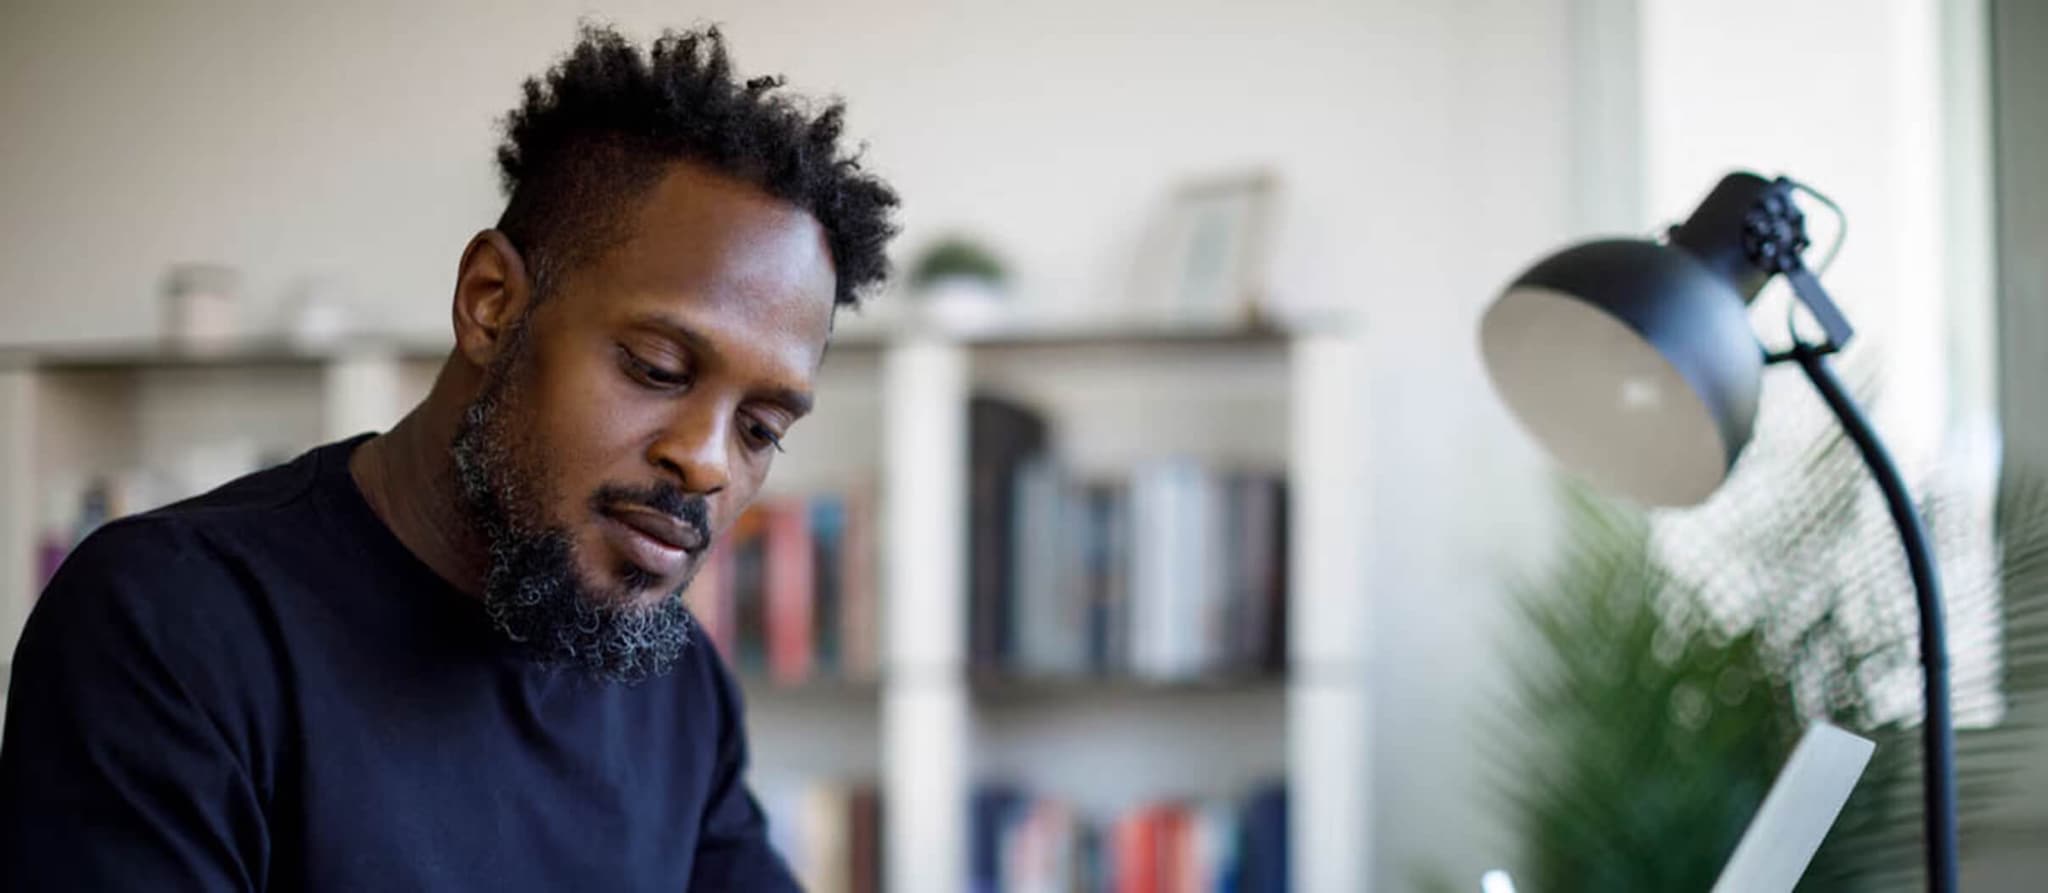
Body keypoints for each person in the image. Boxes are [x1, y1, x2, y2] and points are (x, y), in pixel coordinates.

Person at [0, 24, 898, 891]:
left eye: (760, 429)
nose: (705, 463)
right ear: (492, 303)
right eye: (657, 368)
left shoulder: (678, 683)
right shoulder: (170, 626)